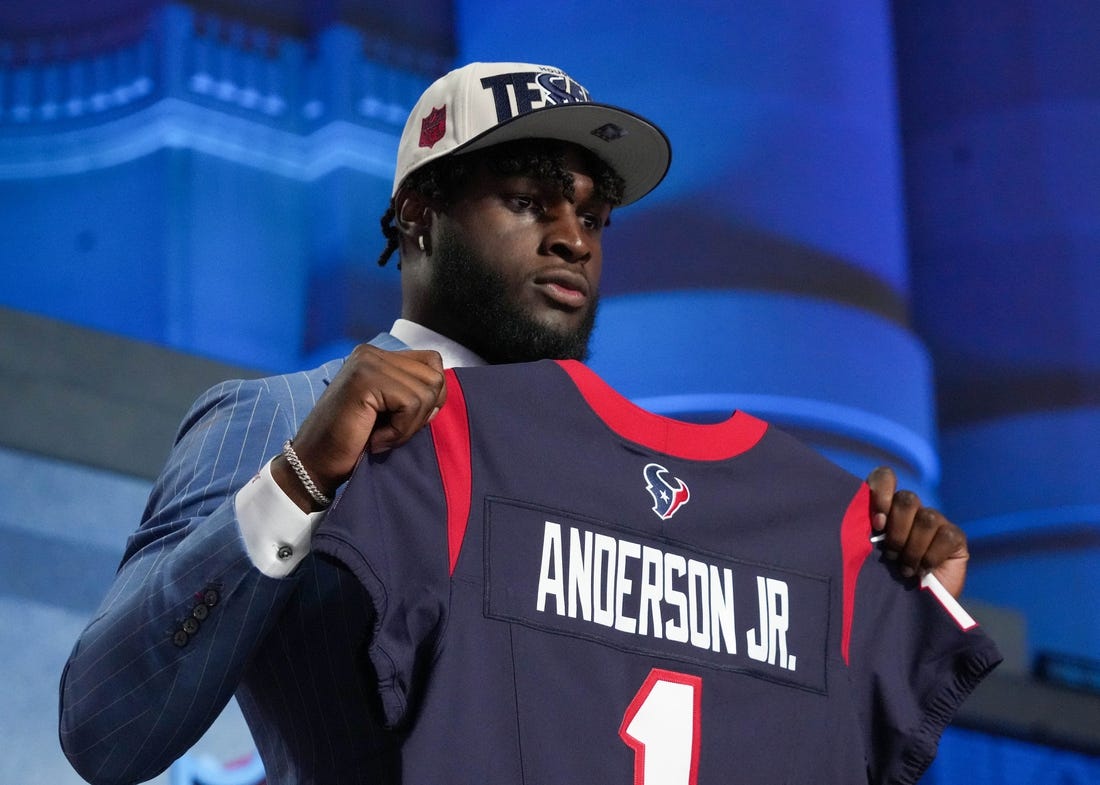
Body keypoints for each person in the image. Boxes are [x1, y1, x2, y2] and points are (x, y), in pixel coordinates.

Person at [58, 61, 970, 785]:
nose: (574, 236)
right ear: (418, 215)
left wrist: (887, 593)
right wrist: (300, 477)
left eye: (594, 215)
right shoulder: (283, 416)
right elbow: (106, 730)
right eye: (531, 201)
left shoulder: (656, 485)